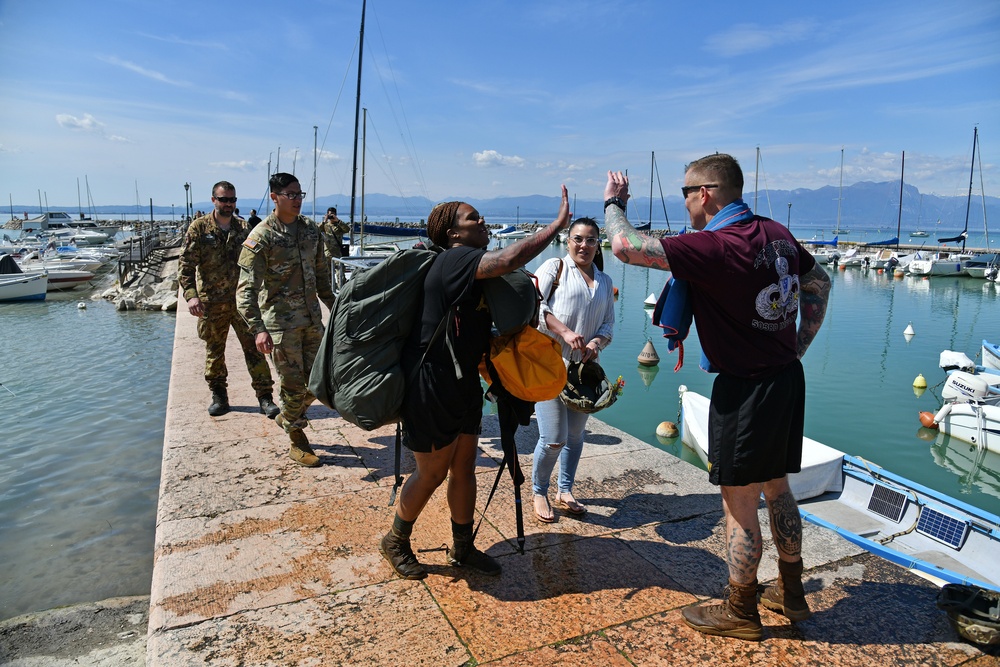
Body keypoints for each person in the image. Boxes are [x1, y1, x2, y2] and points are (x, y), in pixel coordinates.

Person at [604, 155, 831, 641]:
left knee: (739, 502)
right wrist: (798, 344)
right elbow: (819, 283)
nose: (683, 202)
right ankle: (791, 592)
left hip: (745, 389)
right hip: (786, 379)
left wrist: (614, 203)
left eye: (685, 193)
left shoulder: (717, 245)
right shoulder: (777, 234)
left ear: (705, 194)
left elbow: (624, 246)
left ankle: (741, 609)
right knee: (778, 487)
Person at [379, 186, 572, 581]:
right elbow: (506, 259)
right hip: (430, 386)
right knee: (431, 472)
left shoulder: (467, 264)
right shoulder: (453, 260)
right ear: (452, 234)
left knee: (465, 466)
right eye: (473, 218)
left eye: (481, 215)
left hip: (462, 382)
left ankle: (462, 546)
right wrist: (555, 227)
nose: (482, 221)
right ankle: (395, 539)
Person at [236, 173, 335, 467]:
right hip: (280, 325)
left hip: (311, 320)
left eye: (300, 194)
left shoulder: (310, 230)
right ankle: (297, 440)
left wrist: (337, 309)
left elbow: (322, 278)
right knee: (293, 385)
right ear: (274, 197)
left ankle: (287, 416)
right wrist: (258, 330)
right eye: (290, 194)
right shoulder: (262, 235)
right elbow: (245, 291)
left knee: (320, 382)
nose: (297, 200)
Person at [531, 217, 614, 522]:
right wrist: (565, 332)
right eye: (578, 238)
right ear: (568, 241)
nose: (584, 245)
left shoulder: (604, 281)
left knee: (576, 437)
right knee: (553, 438)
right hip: (550, 367)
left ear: (598, 243)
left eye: (591, 240)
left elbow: (609, 325)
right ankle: (539, 490)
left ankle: (565, 490)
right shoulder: (555, 268)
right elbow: (535, 305)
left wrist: (596, 343)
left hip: (584, 373)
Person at [178, 181, 279, 419]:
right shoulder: (199, 229)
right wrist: (191, 296)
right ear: (213, 200)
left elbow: (259, 263)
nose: (228, 204)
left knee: (256, 350)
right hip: (212, 303)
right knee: (215, 351)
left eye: (232, 200)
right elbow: (185, 266)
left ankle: (265, 398)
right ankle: (219, 396)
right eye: (224, 200)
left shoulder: (244, 229)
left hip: (243, 304)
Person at [319, 206, 350, 288]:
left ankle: (341, 290)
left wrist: (338, 221)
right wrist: (324, 221)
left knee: (340, 274)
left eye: (332, 215)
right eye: (329, 215)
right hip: (327, 253)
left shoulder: (339, 225)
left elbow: (347, 229)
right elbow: (317, 230)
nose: (331, 217)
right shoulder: (325, 225)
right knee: (328, 275)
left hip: (337, 253)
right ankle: (331, 291)